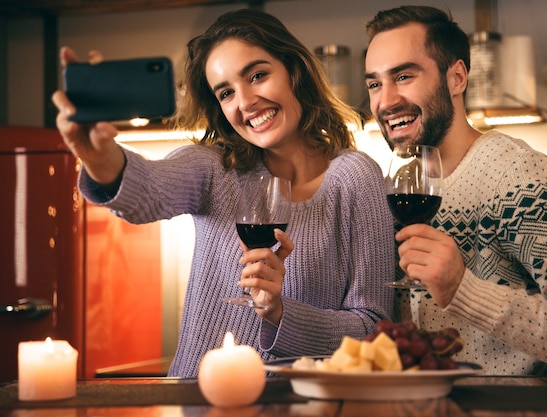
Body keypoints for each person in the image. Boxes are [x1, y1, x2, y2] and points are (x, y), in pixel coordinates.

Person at [52, 8, 395, 377]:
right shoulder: (215, 169)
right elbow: (146, 190)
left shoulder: (355, 178)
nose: (245, 102)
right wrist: (100, 158)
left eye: (258, 76)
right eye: (227, 92)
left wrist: (279, 312)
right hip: (196, 402)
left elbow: (372, 329)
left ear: (295, 71)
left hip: (299, 406)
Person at [364, 5, 547, 376]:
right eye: (374, 83)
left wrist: (463, 290)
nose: (385, 101)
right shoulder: (402, 186)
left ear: (456, 78)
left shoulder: (518, 176)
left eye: (404, 76)